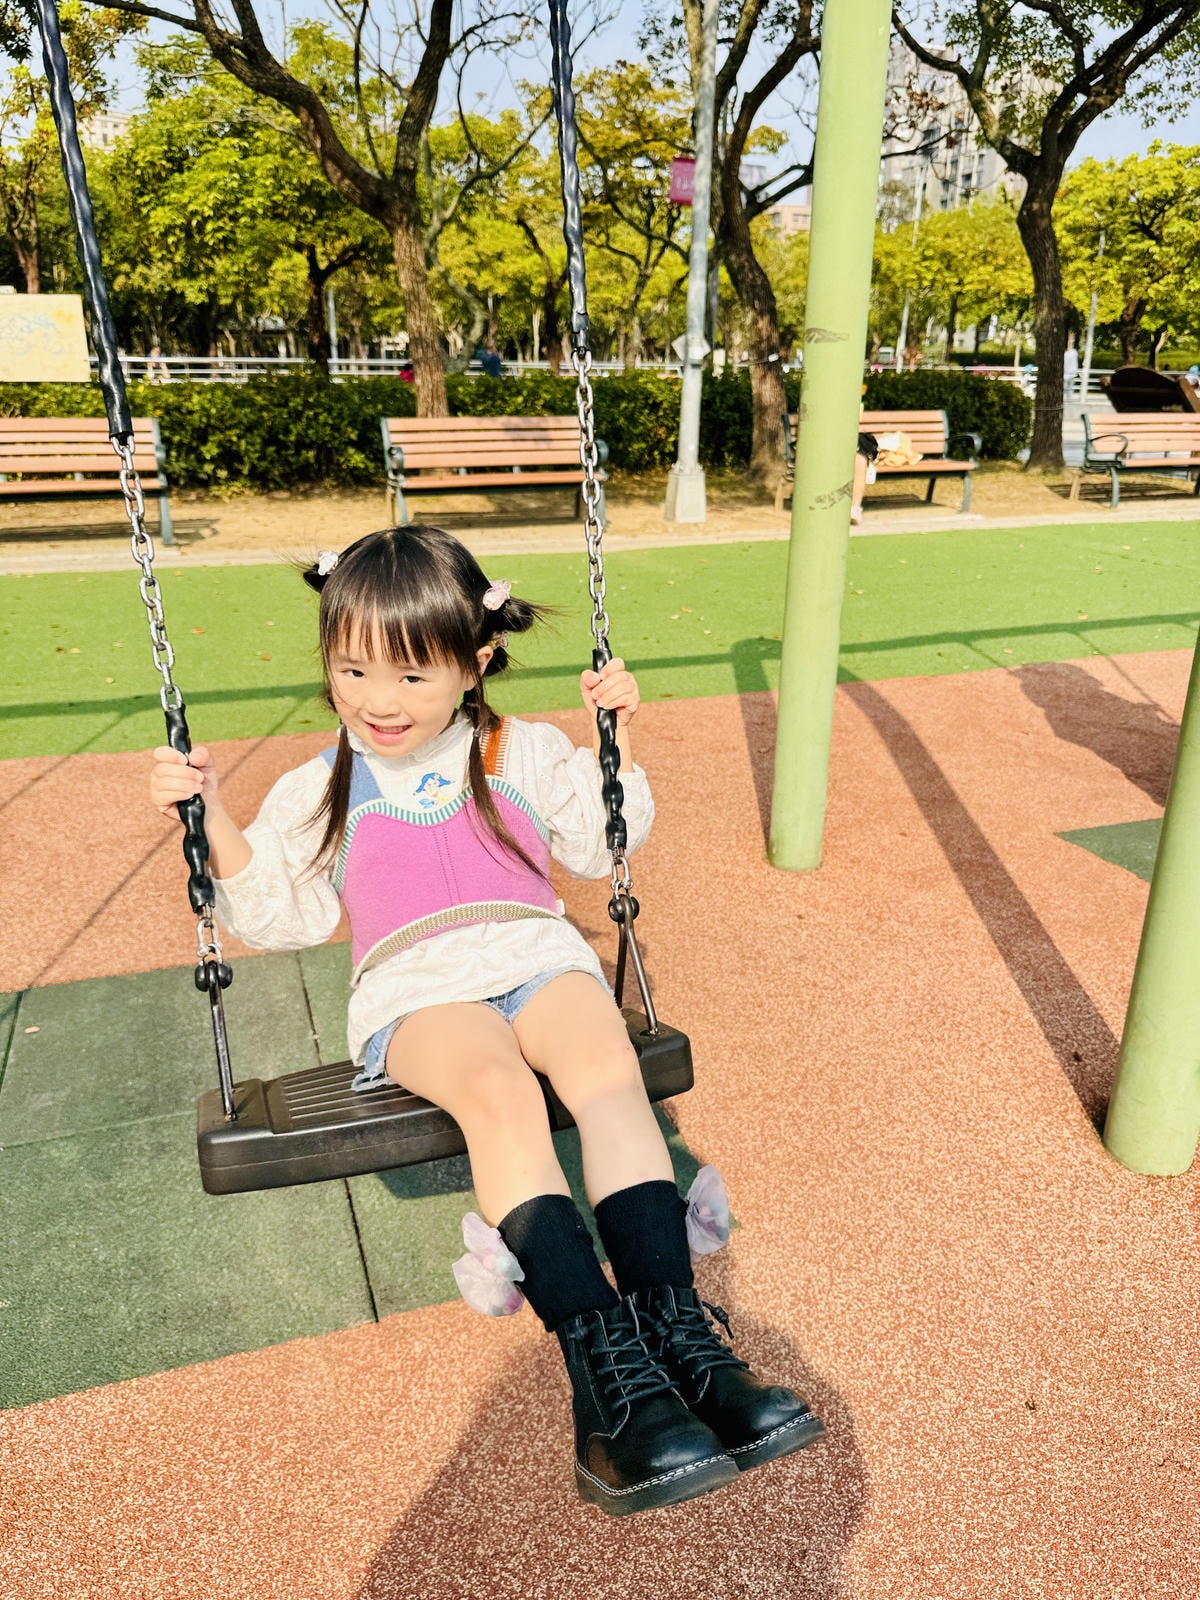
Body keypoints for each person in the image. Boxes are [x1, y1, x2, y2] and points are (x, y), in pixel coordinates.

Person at [148, 526, 822, 1516]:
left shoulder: (523, 750)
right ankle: (612, 1391)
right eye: (353, 670)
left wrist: (616, 742)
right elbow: (278, 912)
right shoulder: (324, 781)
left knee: (607, 1073)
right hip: (416, 990)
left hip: (535, 953)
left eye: (413, 676)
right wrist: (210, 818)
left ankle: (688, 1346)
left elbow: (601, 849)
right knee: (502, 1093)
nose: (380, 700)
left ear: (477, 660)